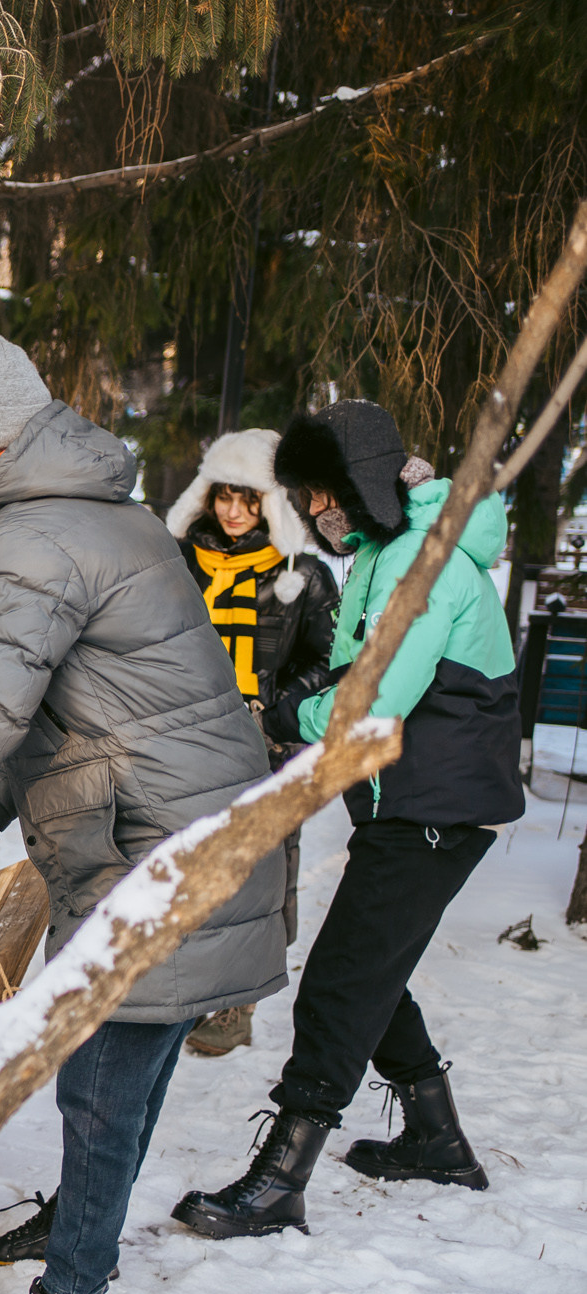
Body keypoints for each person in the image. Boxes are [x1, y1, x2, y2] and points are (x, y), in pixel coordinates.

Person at [0, 335, 288, 1294]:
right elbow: (81, 702)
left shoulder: (35, 534)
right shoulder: (108, 512)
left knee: (100, 1081)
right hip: (187, 821)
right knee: (129, 1067)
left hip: (153, 838)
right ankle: (78, 1224)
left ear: (6, 444)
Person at [171, 401, 523, 1240]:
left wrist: (286, 715)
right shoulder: (382, 551)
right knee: (375, 970)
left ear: (361, 485)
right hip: (413, 802)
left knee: (338, 984)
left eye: (323, 492)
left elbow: (371, 698)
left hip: (434, 809)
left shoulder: (423, 563)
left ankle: (280, 1179)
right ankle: (437, 1139)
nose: (315, 510)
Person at [165, 428, 340, 1056]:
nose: (233, 511)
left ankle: (236, 1005)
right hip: (185, 744)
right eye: (223, 496)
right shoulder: (180, 561)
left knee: (258, 874)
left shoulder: (304, 574)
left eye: (248, 498)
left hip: (266, 750)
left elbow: (330, 658)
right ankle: (185, 991)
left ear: (273, 502)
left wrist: (275, 710)